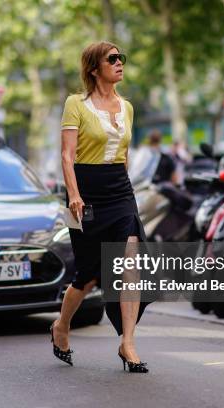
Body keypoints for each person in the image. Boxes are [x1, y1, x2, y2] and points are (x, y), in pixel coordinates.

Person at [49, 41, 150, 373]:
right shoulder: (75, 104)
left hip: (119, 191)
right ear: (94, 69)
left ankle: (128, 343)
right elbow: (67, 156)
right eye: (112, 59)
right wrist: (74, 195)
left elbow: (123, 155)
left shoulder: (127, 107)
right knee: (88, 276)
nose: (120, 62)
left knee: (130, 261)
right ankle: (61, 326)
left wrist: (128, 190)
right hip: (86, 192)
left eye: (122, 57)